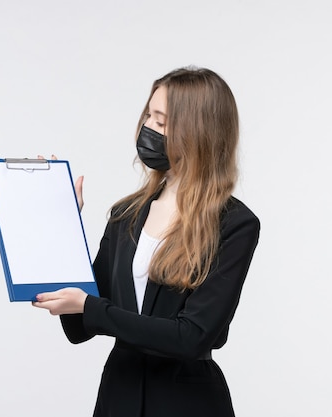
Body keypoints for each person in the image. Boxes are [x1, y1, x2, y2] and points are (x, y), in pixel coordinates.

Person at [32, 66, 260, 417]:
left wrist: (92, 308)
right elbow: (78, 326)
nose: (148, 128)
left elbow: (191, 337)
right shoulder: (126, 215)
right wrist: (62, 228)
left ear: (199, 132)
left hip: (188, 405)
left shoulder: (235, 224)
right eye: (148, 116)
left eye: (162, 121)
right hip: (118, 396)